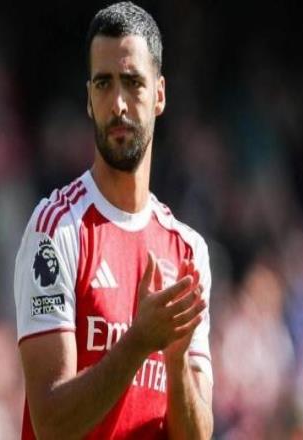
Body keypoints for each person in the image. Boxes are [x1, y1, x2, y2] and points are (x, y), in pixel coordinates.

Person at [14, 2, 213, 438]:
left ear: (159, 94)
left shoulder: (187, 250)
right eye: (103, 84)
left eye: (133, 82)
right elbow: (51, 424)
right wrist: (139, 342)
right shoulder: (56, 230)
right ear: (89, 99)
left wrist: (176, 361)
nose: (118, 103)